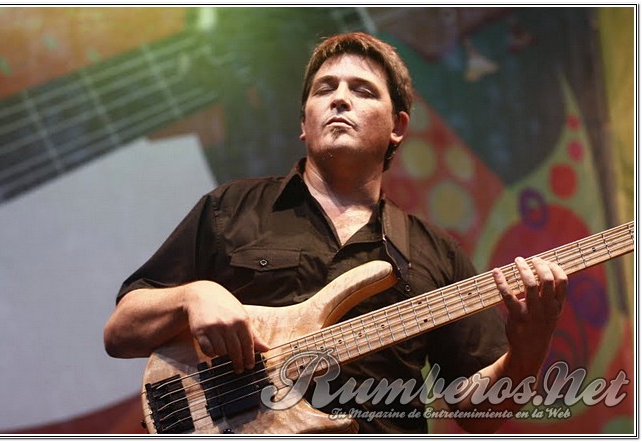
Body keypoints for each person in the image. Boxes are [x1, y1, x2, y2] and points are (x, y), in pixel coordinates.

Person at [103, 32, 567, 434]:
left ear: (398, 126)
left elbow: (479, 416)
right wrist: (194, 296)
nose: (340, 99)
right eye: (325, 88)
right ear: (304, 123)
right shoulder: (231, 208)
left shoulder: (436, 254)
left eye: (362, 90)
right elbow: (121, 332)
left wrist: (528, 350)